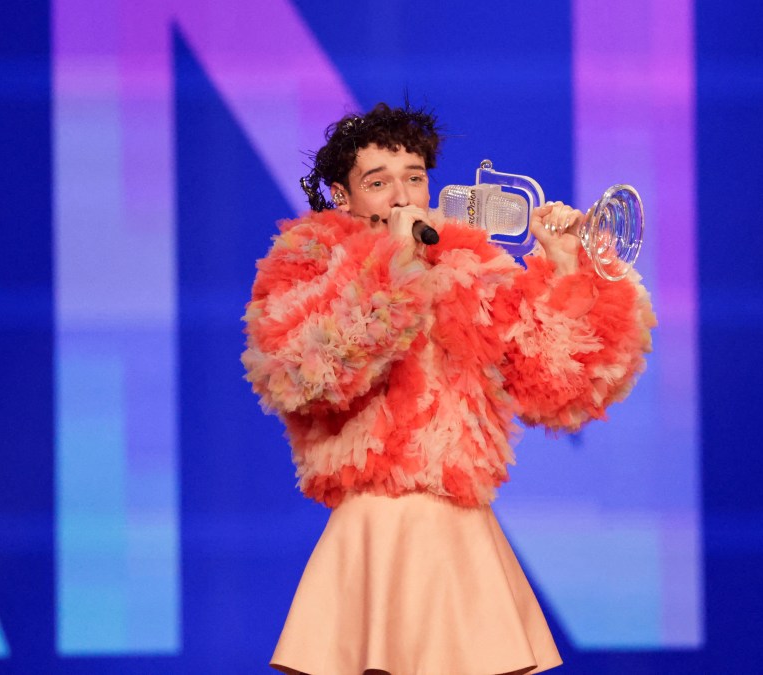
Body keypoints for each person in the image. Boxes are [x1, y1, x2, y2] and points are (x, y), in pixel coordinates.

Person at [242, 102, 656, 674]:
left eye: (414, 177)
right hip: (375, 533)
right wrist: (396, 261)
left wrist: (566, 266)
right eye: (379, 182)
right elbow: (309, 373)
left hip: (461, 530)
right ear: (342, 196)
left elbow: (558, 383)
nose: (403, 196)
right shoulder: (309, 264)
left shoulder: (468, 264)